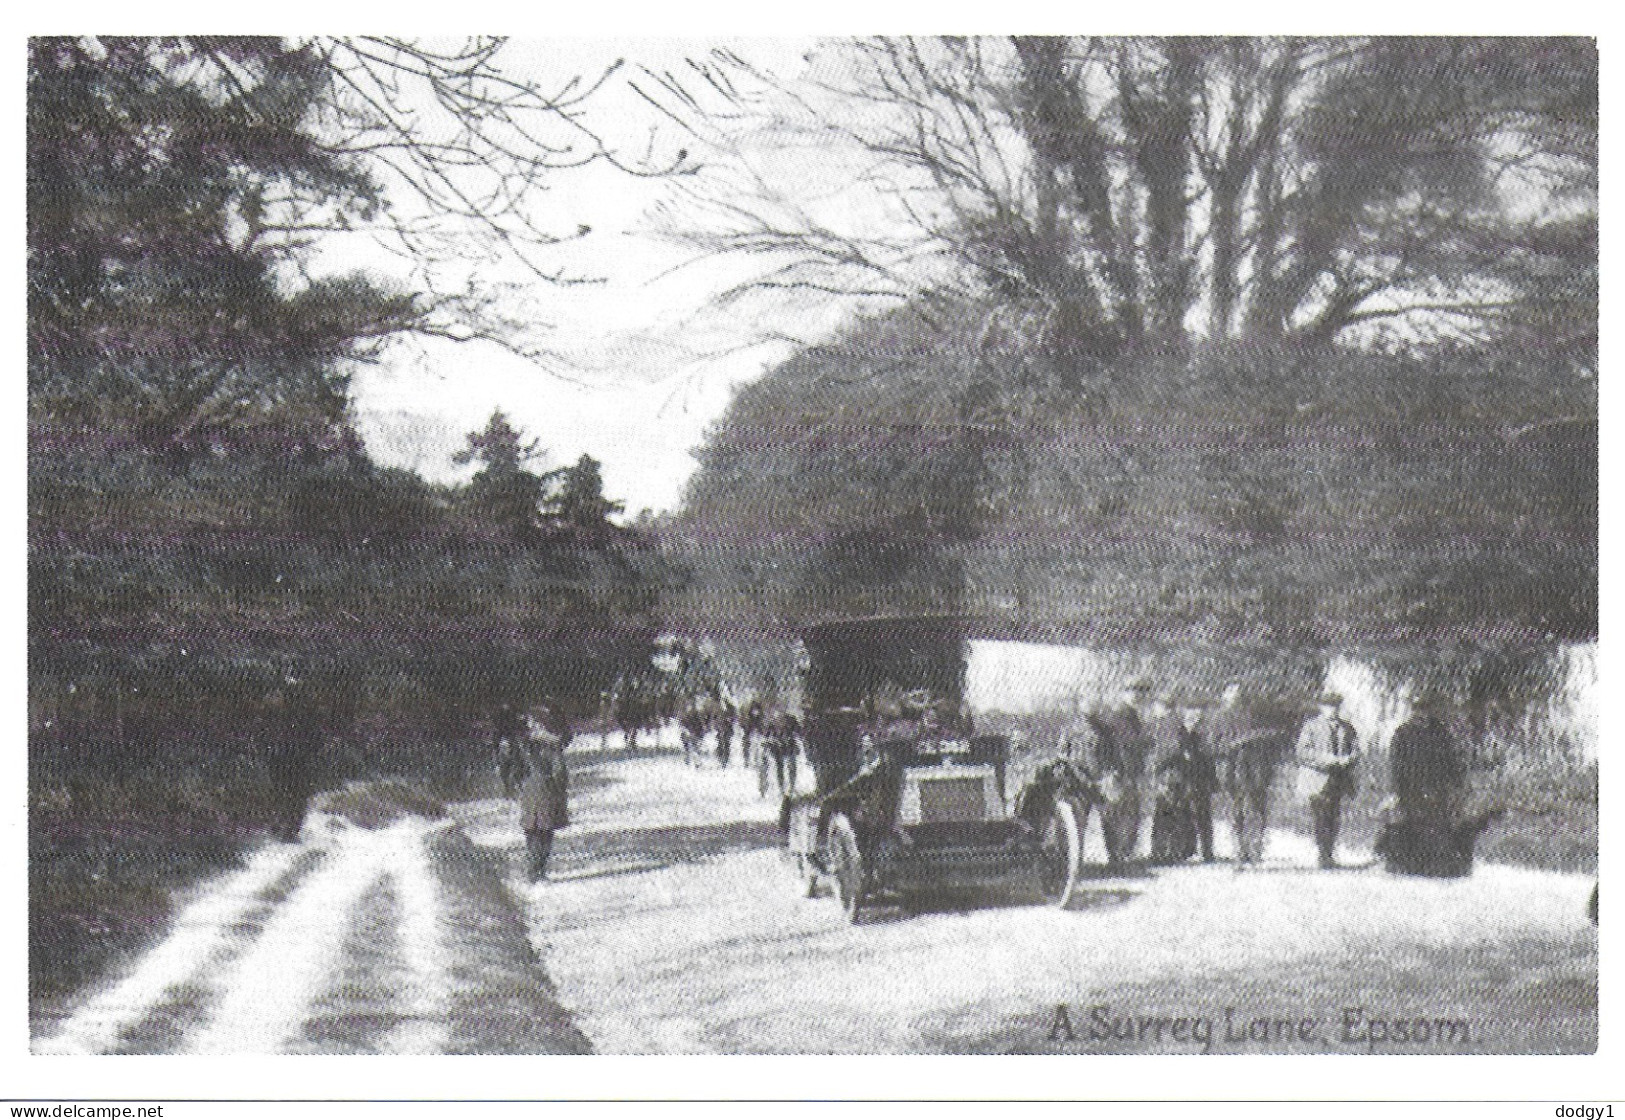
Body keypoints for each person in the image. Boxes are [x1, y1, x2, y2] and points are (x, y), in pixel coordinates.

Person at [1061, 678, 1152, 866]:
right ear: (1081, 703)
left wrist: (1112, 773)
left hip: (1101, 779)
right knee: (1077, 824)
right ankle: (1071, 865)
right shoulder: (1072, 726)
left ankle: (1117, 859)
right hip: (1077, 781)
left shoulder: (1103, 726)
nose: (1093, 704)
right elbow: (1063, 754)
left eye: (1096, 701)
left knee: (1112, 819)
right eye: (1089, 701)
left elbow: (1111, 752)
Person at [1208, 683, 1288, 867]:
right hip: (1231, 770)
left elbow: (1271, 741)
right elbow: (1212, 746)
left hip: (1255, 770)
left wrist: (1259, 741)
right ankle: (1239, 851)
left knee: (1257, 808)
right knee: (1236, 810)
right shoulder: (1219, 718)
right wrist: (1233, 745)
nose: (1236, 697)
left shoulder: (1253, 715)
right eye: (1232, 694)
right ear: (1224, 696)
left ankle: (1255, 850)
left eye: (1240, 694)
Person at [1295, 690, 1360, 869]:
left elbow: (1355, 750)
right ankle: (1323, 854)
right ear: (1321, 708)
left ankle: (1330, 853)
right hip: (1317, 778)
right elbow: (1302, 752)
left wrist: (1349, 759)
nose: (1333, 710)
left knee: (1334, 815)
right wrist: (1327, 759)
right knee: (1320, 816)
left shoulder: (1347, 728)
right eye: (1329, 706)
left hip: (1338, 778)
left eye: (1336, 706)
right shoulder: (1311, 727)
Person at [1149, 694, 1217, 864]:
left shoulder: (1182, 729)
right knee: (1173, 813)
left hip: (1189, 777)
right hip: (1176, 776)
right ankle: (1171, 851)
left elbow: (1207, 755)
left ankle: (1181, 851)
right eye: (1190, 713)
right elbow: (1165, 753)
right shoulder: (1167, 728)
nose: (1193, 717)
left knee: (1187, 814)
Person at [516, 710, 570, 882]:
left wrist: (519, 785)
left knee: (531, 831)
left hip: (528, 793)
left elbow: (514, 770)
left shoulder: (523, 745)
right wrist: (560, 788)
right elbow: (559, 771)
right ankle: (539, 871)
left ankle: (532, 870)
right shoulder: (552, 747)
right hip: (547, 792)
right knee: (546, 833)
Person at [764, 712, 800, 798]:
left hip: (789, 746)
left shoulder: (790, 718)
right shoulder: (772, 721)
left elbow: (798, 731)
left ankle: (791, 786)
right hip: (778, 748)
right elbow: (767, 735)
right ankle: (782, 788)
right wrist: (770, 742)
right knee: (780, 767)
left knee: (791, 766)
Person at [715, 700, 737, 768]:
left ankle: (725, 760)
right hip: (721, 732)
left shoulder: (730, 711)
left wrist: (728, 721)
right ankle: (722, 761)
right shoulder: (719, 711)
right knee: (721, 745)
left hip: (727, 732)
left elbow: (733, 720)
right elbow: (716, 721)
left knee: (726, 745)